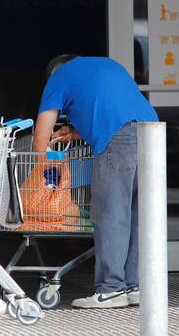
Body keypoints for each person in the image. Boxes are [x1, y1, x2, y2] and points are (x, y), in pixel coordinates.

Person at [32, 55, 158, 309]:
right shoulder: (109, 64)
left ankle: (111, 289)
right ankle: (134, 285)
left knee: (110, 214)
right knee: (136, 214)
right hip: (153, 133)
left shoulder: (59, 77)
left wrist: (39, 173)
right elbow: (120, 111)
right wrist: (75, 133)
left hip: (119, 139)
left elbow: (42, 132)